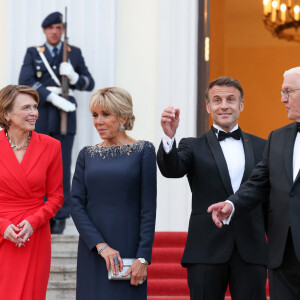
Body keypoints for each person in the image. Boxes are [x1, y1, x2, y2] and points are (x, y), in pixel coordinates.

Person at [157, 76, 268, 300]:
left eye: (230, 99)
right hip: (205, 248)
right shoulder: (191, 145)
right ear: (208, 106)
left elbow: (268, 196)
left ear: (241, 105)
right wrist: (169, 137)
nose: (224, 105)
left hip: (251, 249)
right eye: (217, 100)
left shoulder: (264, 146)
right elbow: (172, 170)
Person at [208, 68, 300, 299]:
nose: (282, 99)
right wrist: (232, 204)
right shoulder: (277, 138)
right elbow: (258, 182)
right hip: (284, 253)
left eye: (288, 91)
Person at [70, 87, 156, 299]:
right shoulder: (86, 155)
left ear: (123, 116)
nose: (98, 121)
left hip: (129, 250)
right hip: (94, 251)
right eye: (95, 115)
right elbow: (76, 204)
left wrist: (143, 257)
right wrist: (101, 246)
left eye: (106, 115)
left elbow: (148, 208)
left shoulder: (144, 150)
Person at [18, 11, 95, 234]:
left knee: (61, 165)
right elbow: (25, 81)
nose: (55, 31)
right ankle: (39, 210)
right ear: (45, 30)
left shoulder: (74, 53)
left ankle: (61, 214)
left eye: (59, 28)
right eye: (51, 28)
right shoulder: (34, 53)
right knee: (38, 165)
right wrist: (51, 97)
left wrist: (73, 77)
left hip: (65, 116)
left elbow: (88, 83)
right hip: (40, 113)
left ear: (63, 30)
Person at [0, 85, 64, 299]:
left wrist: (33, 222)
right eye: (26, 108)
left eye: (35, 107)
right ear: (6, 113)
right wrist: (3, 226)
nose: (34, 113)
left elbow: (56, 197)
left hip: (34, 233)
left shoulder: (51, 146)